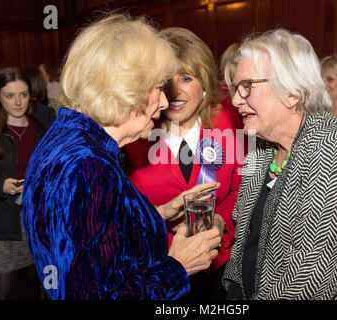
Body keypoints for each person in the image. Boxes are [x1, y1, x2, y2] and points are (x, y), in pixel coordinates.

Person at [22, 14, 222, 300]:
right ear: (125, 89)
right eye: (158, 88)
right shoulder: (89, 167)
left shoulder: (66, 136)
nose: (165, 102)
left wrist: (158, 214)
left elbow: (89, 240)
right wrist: (177, 267)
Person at [222, 29, 337, 299]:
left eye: (247, 86)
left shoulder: (336, 147)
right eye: (236, 88)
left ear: (291, 92)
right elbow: (245, 243)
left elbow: (311, 278)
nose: (235, 100)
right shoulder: (263, 149)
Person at [124, 27, 244, 300]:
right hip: (157, 269)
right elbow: (120, 211)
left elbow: (240, 188)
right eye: (167, 80)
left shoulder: (227, 121)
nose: (176, 91)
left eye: (187, 78)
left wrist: (220, 220)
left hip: (219, 267)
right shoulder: (134, 133)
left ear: (204, 83)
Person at [0, 67, 50, 299]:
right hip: (0, 225)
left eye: (24, 95)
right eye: (10, 96)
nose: (18, 102)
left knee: (32, 291)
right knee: (3, 294)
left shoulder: (41, 126)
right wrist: (0, 186)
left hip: (36, 223)